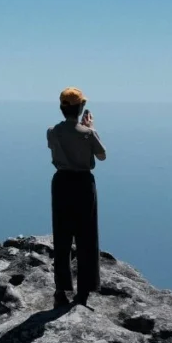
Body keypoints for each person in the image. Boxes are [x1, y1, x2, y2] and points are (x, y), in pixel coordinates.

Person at [46, 86, 107, 307]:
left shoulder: (52, 131)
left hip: (61, 182)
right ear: (81, 106)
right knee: (86, 236)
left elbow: (56, 147)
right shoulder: (88, 133)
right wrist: (90, 128)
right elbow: (102, 156)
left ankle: (60, 291)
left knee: (62, 236)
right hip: (83, 184)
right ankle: (83, 292)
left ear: (61, 108)